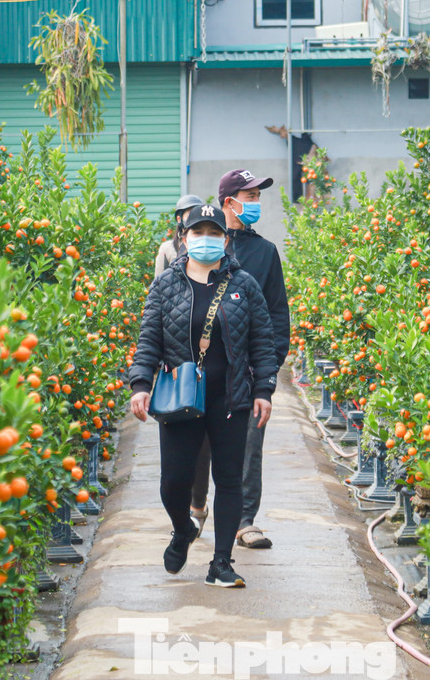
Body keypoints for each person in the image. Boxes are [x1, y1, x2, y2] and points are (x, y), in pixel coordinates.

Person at [127, 203, 278, 588]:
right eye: (198, 232)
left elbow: (262, 341)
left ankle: (221, 563)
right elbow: (149, 340)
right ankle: (183, 529)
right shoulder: (166, 285)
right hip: (180, 398)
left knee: (228, 480)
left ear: (225, 240)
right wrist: (140, 384)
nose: (206, 239)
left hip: (231, 397)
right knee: (173, 482)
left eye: (214, 233)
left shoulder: (244, 285)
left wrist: (264, 389)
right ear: (184, 238)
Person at [189, 168, 290, 550]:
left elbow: (278, 314)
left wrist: (268, 369)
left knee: (249, 445)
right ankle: (197, 506)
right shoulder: (203, 246)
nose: (256, 202)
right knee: (198, 443)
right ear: (229, 202)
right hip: (202, 367)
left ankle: (244, 520)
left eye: (258, 196)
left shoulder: (265, 252)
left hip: (246, 369)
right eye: (251, 196)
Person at [155, 194, 204, 277]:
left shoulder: (207, 245)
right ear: (179, 219)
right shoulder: (168, 248)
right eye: (190, 215)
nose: (194, 219)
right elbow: (159, 280)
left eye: (197, 215)